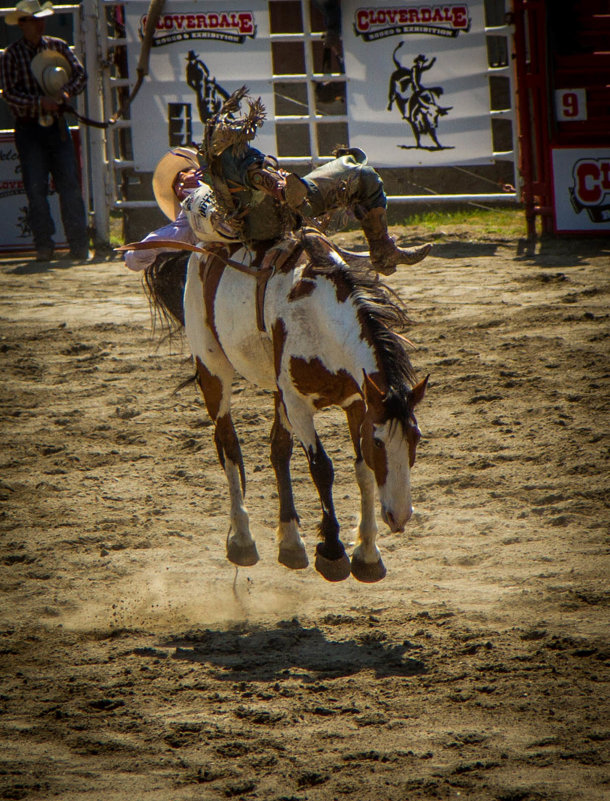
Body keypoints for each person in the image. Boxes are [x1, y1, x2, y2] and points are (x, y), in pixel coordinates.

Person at [126, 87, 431, 276]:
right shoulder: (189, 216)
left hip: (283, 203)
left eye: (184, 175)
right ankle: (276, 186)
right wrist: (148, 251)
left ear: (196, 169)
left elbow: (137, 256)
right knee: (241, 165)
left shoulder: (208, 180)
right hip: (259, 219)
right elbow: (137, 256)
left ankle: (381, 249)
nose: (182, 183)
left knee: (361, 172)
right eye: (177, 186)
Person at [0, 0, 90, 261]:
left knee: (69, 185)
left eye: (41, 19)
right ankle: (45, 244)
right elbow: (10, 94)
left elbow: (80, 76)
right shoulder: (11, 55)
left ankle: (77, 243)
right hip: (30, 128)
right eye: (34, 20)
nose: (40, 24)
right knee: (36, 188)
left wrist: (65, 93)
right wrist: (40, 102)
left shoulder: (57, 46)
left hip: (56, 125)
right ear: (22, 24)